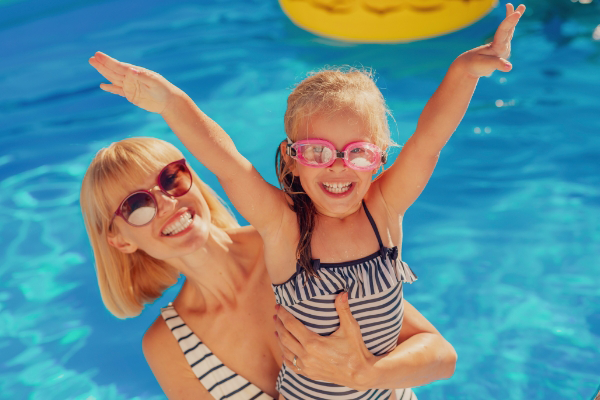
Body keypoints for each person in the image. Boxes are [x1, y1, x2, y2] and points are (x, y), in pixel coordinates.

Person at [86, 4, 524, 398]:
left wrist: (465, 71)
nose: (337, 167)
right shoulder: (282, 233)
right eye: (137, 205)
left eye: (173, 178)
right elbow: (229, 164)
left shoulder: (355, 221)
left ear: (378, 160)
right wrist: (171, 103)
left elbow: (428, 143)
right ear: (294, 162)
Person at [80, 137, 457, 400]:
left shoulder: (287, 242)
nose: (166, 202)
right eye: (137, 205)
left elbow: (441, 357)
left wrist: (367, 374)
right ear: (120, 240)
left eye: (170, 178)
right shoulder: (168, 345)